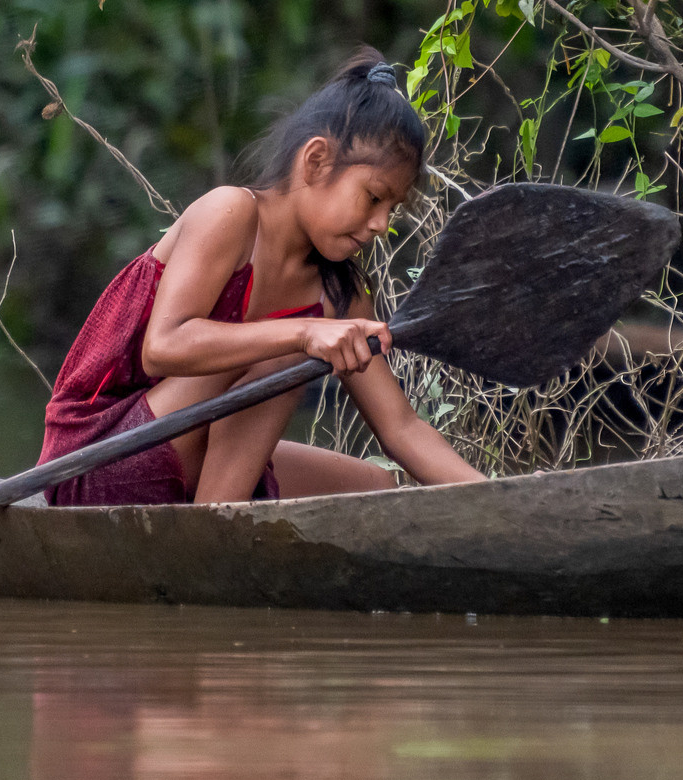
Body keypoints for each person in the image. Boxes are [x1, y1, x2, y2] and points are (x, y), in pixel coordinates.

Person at [35, 50, 487, 505]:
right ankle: (214, 540)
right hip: (93, 461)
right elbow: (162, 348)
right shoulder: (230, 214)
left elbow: (401, 428)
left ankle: (215, 528)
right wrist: (304, 333)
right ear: (315, 161)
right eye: (373, 198)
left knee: (375, 488)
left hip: (187, 459)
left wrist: (502, 497)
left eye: (392, 210)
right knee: (285, 360)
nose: (381, 224)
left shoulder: (339, 293)